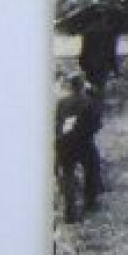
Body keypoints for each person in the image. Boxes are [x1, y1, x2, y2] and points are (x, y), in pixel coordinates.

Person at [54, 73, 103, 222]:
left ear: (71, 86)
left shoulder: (62, 102)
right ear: (82, 86)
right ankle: (90, 201)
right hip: (84, 142)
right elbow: (96, 124)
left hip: (65, 142)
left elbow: (58, 123)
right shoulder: (89, 101)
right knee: (92, 168)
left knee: (68, 173)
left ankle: (70, 211)